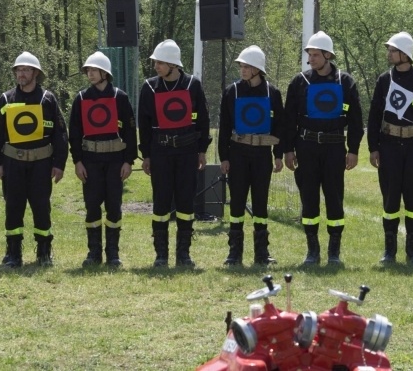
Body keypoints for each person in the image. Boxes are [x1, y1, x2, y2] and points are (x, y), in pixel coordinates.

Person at [283, 31, 364, 265]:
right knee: (309, 199)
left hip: (334, 148)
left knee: (334, 199)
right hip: (306, 148)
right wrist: (288, 150)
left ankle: (334, 253)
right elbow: (289, 120)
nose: (311, 59)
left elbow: (356, 119)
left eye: (316, 54)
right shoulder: (299, 82)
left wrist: (354, 149)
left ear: (328, 55)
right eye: (309, 54)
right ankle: (312, 251)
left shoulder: (345, 82)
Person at [0, 52, 68, 268]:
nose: (21, 74)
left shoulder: (47, 99)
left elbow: (60, 133)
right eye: (18, 70)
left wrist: (59, 164)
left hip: (41, 164)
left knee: (41, 207)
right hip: (13, 164)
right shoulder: (6, 99)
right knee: (13, 207)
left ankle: (44, 252)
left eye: (26, 70)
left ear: (36, 73)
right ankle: (13, 253)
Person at [138, 39, 211, 267]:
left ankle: (184, 254)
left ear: (173, 64)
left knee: (185, 202)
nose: (156, 67)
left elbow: (204, 120)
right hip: (160, 152)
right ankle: (161, 254)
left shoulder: (192, 86)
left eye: (160, 62)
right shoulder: (149, 87)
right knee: (160, 203)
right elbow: (144, 123)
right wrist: (147, 155)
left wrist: (201, 151)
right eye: (156, 62)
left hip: (187, 152)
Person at [367, 32, 413, 264]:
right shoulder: (384, 80)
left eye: (393, 50)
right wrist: (373, 147)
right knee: (390, 197)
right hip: (389, 146)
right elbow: (374, 115)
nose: (389, 54)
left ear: (404, 54)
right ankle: (390, 251)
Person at [68, 51, 137, 267]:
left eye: (94, 70)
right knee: (92, 206)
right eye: (88, 70)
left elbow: (130, 132)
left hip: (116, 160)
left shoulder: (120, 97)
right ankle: (94, 253)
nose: (90, 73)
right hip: (90, 160)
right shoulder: (81, 98)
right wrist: (77, 161)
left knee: (114, 206)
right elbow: (75, 133)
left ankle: (113, 253)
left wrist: (128, 161)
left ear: (104, 73)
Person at [218, 45, 284, 266]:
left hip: (261, 155)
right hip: (237, 153)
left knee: (260, 204)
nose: (242, 70)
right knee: (236, 204)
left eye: (247, 66)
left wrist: (278, 155)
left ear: (257, 69)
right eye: (241, 66)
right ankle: (234, 253)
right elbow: (225, 127)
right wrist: (224, 157)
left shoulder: (272, 93)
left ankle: (261, 254)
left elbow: (278, 127)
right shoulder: (232, 91)